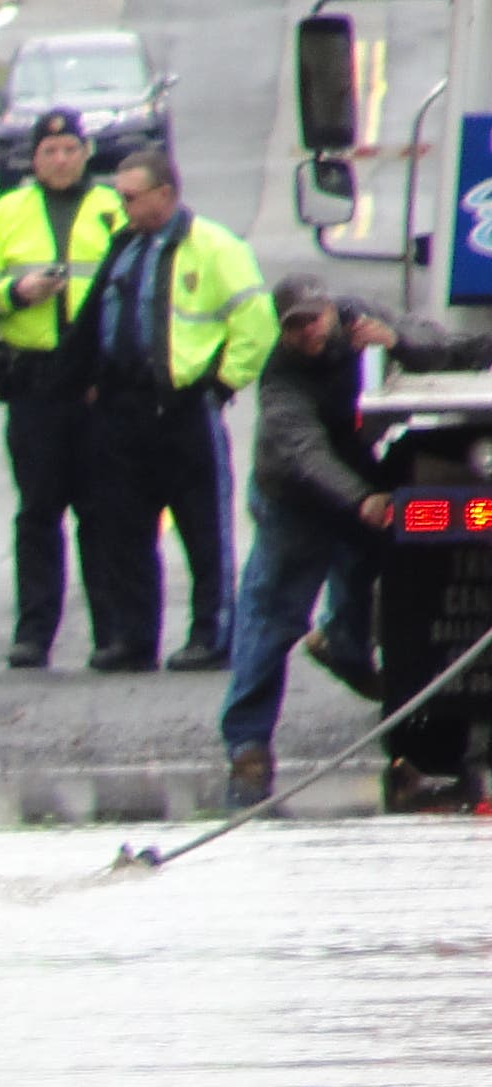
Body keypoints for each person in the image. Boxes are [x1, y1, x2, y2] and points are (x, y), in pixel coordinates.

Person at [222, 274, 492, 807]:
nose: (308, 333)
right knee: (272, 615)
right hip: (295, 498)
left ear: (332, 309)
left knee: (388, 568)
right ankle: (247, 745)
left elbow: (448, 348)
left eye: (314, 319)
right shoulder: (281, 380)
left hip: (357, 476)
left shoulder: (359, 315)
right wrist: (360, 499)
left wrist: (396, 342)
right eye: (294, 327)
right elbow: (306, 454)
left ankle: (343, 643)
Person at [66, 147, 275, 673]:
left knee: (204, 530)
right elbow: (98, 319)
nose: (123, 205)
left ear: (165, 194)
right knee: (124, 531)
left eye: (131, 196)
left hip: (184, 410)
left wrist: (222, 384)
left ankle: (212, 635)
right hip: (123, 410)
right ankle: (133, 639)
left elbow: (255, 322)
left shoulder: (214, 247)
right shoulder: (125, 247)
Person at [0, 107, 125, 668]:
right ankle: (34, 633)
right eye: (50, 152)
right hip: (36, 385)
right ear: (33, 159)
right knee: (38, 512)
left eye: (70, 149)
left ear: (86, 153)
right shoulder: (9, 213)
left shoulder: (112, 209)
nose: (61, 159)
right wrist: (15, 292)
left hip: (100, 386)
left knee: (102, 513)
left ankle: (112, 633)